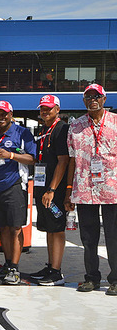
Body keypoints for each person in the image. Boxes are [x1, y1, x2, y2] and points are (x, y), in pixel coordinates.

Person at [65, 84, 117, 294]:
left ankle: (115, 280)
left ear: (104, 99)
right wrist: (69, 190)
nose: (92, 99)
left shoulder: (115, 122)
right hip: (85, 189)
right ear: (84, 101)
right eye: (88, 97)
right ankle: (91, 278)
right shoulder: (75, 126)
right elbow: (72, 160)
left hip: (112, 190)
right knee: (88, 237)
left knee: (114, 236)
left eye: (96, 96)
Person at [0, 100, 36, 285]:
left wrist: (11, 155)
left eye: (4, 114)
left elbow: (31, 158)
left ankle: (15, 267)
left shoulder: (23, 133)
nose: (1, 117)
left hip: (14, 185)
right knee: (3, 228)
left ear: (11, 115)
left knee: (15, 228)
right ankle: (7, 264)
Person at [28, 95, 69, 286]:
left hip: (55, 190)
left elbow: (63, 161)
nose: (45, 112)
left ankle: (57, 272)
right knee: (48, 228)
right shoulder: (44, 129)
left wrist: (52, 189)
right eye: (43, 109)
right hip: (42, 186)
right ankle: (51, 265)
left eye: (49, 109)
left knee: (57, 228)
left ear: (57, 109)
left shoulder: (61, 129)